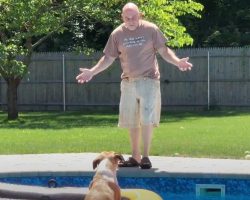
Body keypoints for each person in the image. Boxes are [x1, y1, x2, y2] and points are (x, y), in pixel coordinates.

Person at [76, 2, 193, 169]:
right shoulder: (117, 34)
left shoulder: (151, 29)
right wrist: (92, 72)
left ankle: (145, 157)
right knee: (131, 120)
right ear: (122, 17)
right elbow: (108, 58)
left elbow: (164, 51)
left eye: (134, 17)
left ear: (140, 15)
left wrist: (177, 62)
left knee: (147, 118)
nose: (130, 20)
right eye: (127, 17)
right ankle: (135, 157)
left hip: (149, 80)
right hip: (128, 82)